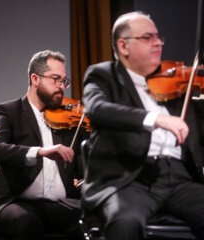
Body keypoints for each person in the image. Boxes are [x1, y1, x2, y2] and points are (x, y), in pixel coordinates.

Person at [82, 11, 204, 240]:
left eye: (158, 37)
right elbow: (97, 108)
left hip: (178, 178)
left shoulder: (175, 83)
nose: (157, 43)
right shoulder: (102, 76)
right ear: (124, 46)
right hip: (128, 180)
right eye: (148, 37)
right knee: (125, 223)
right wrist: (156, 119)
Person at [0, 50, 84, 240]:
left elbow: (80, 164)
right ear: (35, 78)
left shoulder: (66, 120)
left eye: (64, 81)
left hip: (57, 204)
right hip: (14, 202)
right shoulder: (10, 111)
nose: (62, 86)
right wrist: (40, 152)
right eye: (55, 79)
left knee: (95, 220)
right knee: (28, 223)